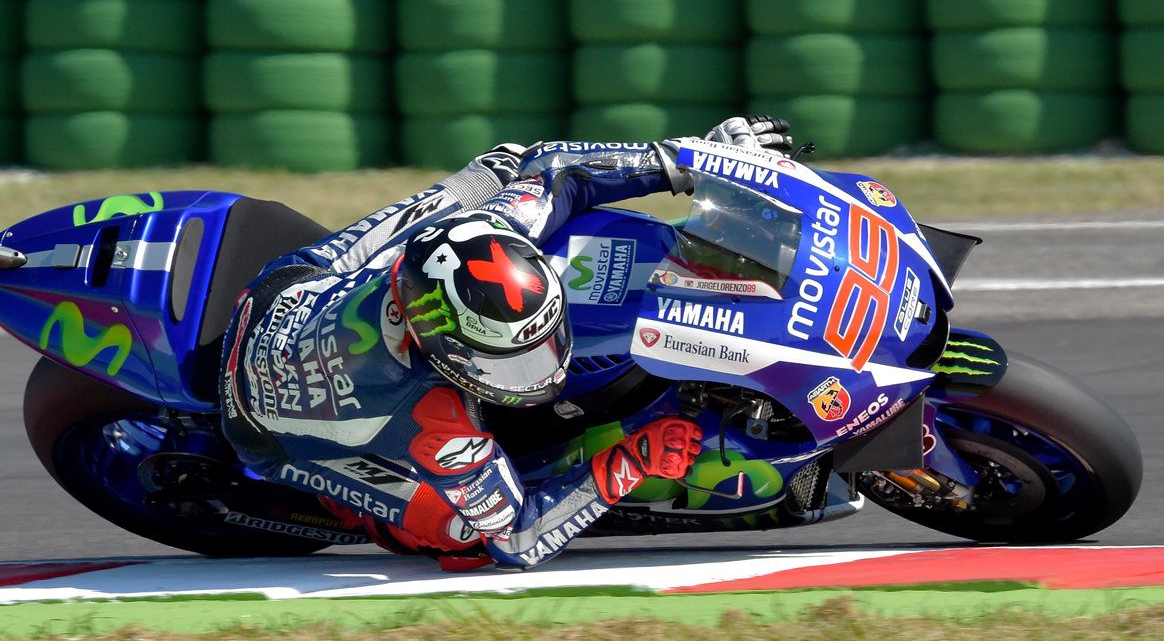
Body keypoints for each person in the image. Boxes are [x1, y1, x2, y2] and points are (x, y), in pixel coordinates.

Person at [219, 116, 793, 570]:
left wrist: (689, 162)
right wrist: (631, 460)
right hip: (263, 428)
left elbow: (553, 169)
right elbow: (518, 538)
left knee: (496, 169)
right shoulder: (435, 422)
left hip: (288, 289)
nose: (541, 369)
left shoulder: (478, 239)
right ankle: (350, 506)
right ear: (445, 352)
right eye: (513, 358)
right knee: (463, 537)